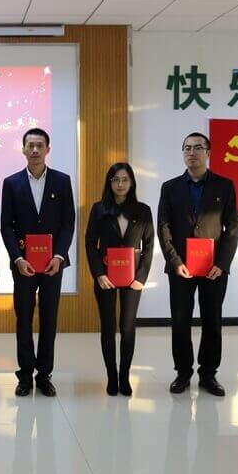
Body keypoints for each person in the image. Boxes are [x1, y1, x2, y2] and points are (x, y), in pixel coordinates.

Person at [157, 132, 238, 397]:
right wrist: (175, 261)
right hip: (181, 267)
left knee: (212, 320)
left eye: (197, 147)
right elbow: (163, 228)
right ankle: (182, 373)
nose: (192, 152)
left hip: (213, 268)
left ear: (208, 152)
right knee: (180, 321)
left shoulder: (225, 186)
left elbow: (232, 228)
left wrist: (222, 264)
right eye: (187, 148)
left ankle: (208, 374)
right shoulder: (170, 187)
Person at [0, 128, 75, 398]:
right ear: (23, 149)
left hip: (53, 264)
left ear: (47, 149)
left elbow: (68, 223)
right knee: (23, 318)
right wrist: (17, 258)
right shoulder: (11, 183)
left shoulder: (62, 181)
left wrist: (59, 256)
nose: (34, 150)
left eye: (39, 145)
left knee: (49, 318)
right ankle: (24, 375)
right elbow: (6, 225)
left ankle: (44, 375)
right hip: (24, 265)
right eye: (30, 145)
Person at [85, 163, 154, 396]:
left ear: (132, 182)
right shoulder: (99, 209)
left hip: (133, 278)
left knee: (127, 326)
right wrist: (99, 274)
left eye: (125, 179)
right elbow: (90, 243)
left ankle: (125, 376)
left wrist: (142, 277)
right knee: (108, 326)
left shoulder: (143, 210)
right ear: (109, 183)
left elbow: (149, 245)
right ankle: (111, 376)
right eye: (115, 179)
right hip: (105, 276)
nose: (120, 184)